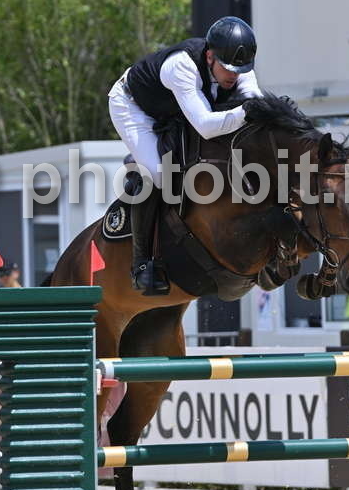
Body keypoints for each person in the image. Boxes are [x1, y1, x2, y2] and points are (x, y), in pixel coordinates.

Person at [108, 16, 262, 295]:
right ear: (210, 56)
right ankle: (142, 264)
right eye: (227, 68)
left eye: (239, 70)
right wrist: (251, 111)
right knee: (158, 175)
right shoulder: (181, 66)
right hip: (133, 107)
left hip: (175, 110)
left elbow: (254, 107)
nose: (234, 76)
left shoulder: (239, 67)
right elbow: (206, 125)